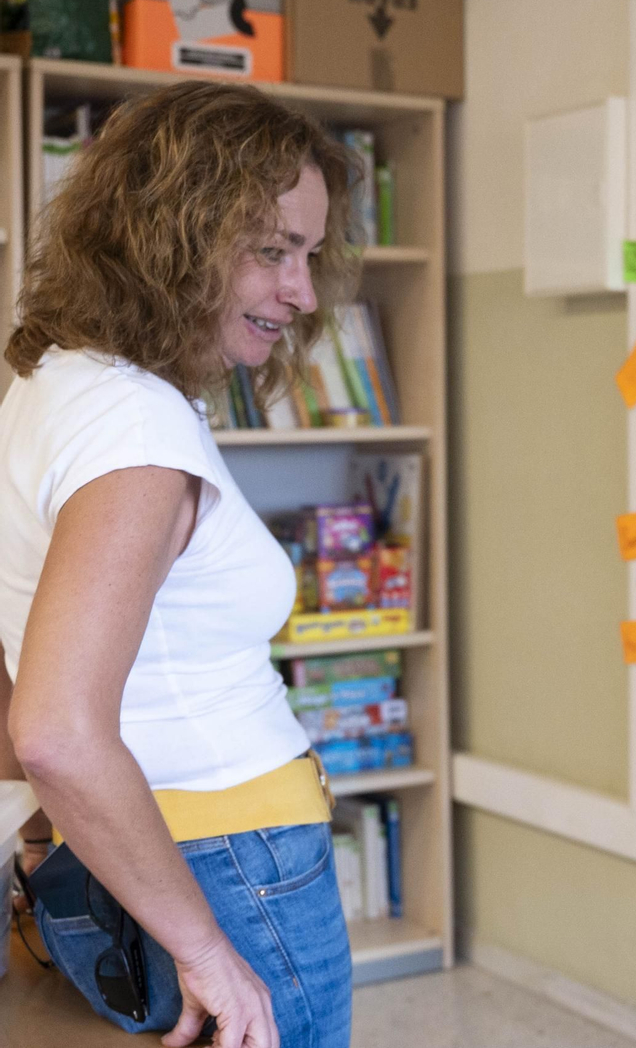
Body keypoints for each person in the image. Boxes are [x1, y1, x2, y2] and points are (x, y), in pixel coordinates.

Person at [0, 81, 362, 1047]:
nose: (304, 293)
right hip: (230, 866)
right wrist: (206, 951)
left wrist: (42, 830)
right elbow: (56, 728)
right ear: (175, 237)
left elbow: (23, 653)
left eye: (312, 256)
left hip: (167, 854)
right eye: (273, 251)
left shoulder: (57, 384)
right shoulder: (135, 426)